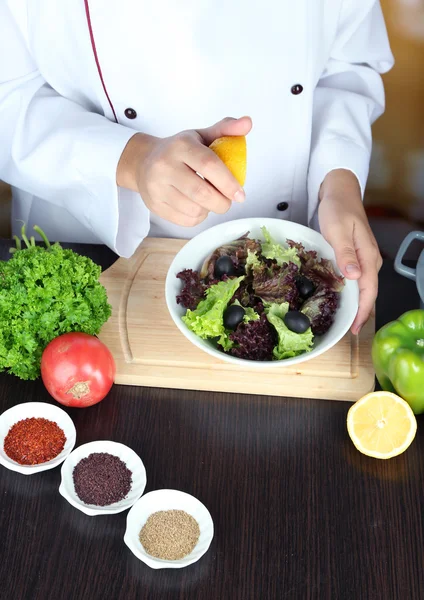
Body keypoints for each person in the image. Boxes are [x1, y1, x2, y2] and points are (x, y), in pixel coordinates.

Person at [0, 1, 394, 334]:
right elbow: (9, 96)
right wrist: (132, 159)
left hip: (292, 243)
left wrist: (338, 181)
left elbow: (347, 64)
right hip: (92, 256)